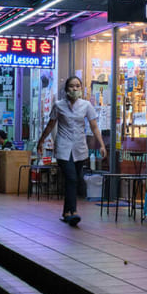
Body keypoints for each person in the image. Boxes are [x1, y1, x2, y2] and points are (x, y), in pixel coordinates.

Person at [37, 76, 106, 226]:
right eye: (71, 86)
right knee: (72, 178)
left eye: (77, 86)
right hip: (63, 147)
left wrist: (101, 144)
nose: (75, 89)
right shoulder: (59, 105)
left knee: (73, 180)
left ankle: (66, 212)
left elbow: (94, 126)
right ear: (66, 89)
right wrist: (41, 141)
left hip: (80, 148)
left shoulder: (86, 105)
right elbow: (50, 125)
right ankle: (73, 211)